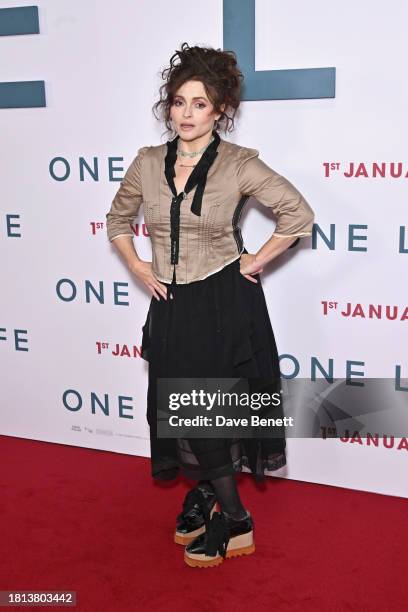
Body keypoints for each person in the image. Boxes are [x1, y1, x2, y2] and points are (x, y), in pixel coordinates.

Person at [105, 42, 315, 568]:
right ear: (167, 107)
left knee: (206, 416)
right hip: (170, 304)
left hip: (222, 304)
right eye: (178, 103)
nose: (186, 114)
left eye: (199, 104)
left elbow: (298, 215)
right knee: (182, 412)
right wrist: (138, 265)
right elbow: (116, 221)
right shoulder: (148, 162)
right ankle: (204, 495)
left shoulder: (239, 164)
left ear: (220, 109)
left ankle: (236, 519)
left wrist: (255, 261)